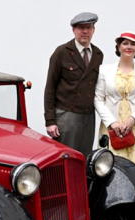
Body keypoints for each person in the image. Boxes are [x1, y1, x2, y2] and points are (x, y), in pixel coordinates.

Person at [94, 31, 135, 178]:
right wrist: (113, 123)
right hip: (111, 126)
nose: (129, 47)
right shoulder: (105, 70)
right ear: (119, 47)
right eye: (125, 43)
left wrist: (132, 119)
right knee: (110, 164)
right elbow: (98, 99)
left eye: (133, 44)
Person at [44, 12, 104, 158]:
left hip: (88, 116)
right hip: (66, 115)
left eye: (88, 28)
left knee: (84, 158)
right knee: (65, 158)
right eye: (81, 28)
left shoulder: (97, 54)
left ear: (93, 30)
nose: (85, 31)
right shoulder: (62, 52)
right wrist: (50, 121)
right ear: (73, 30)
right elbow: (50, 87)